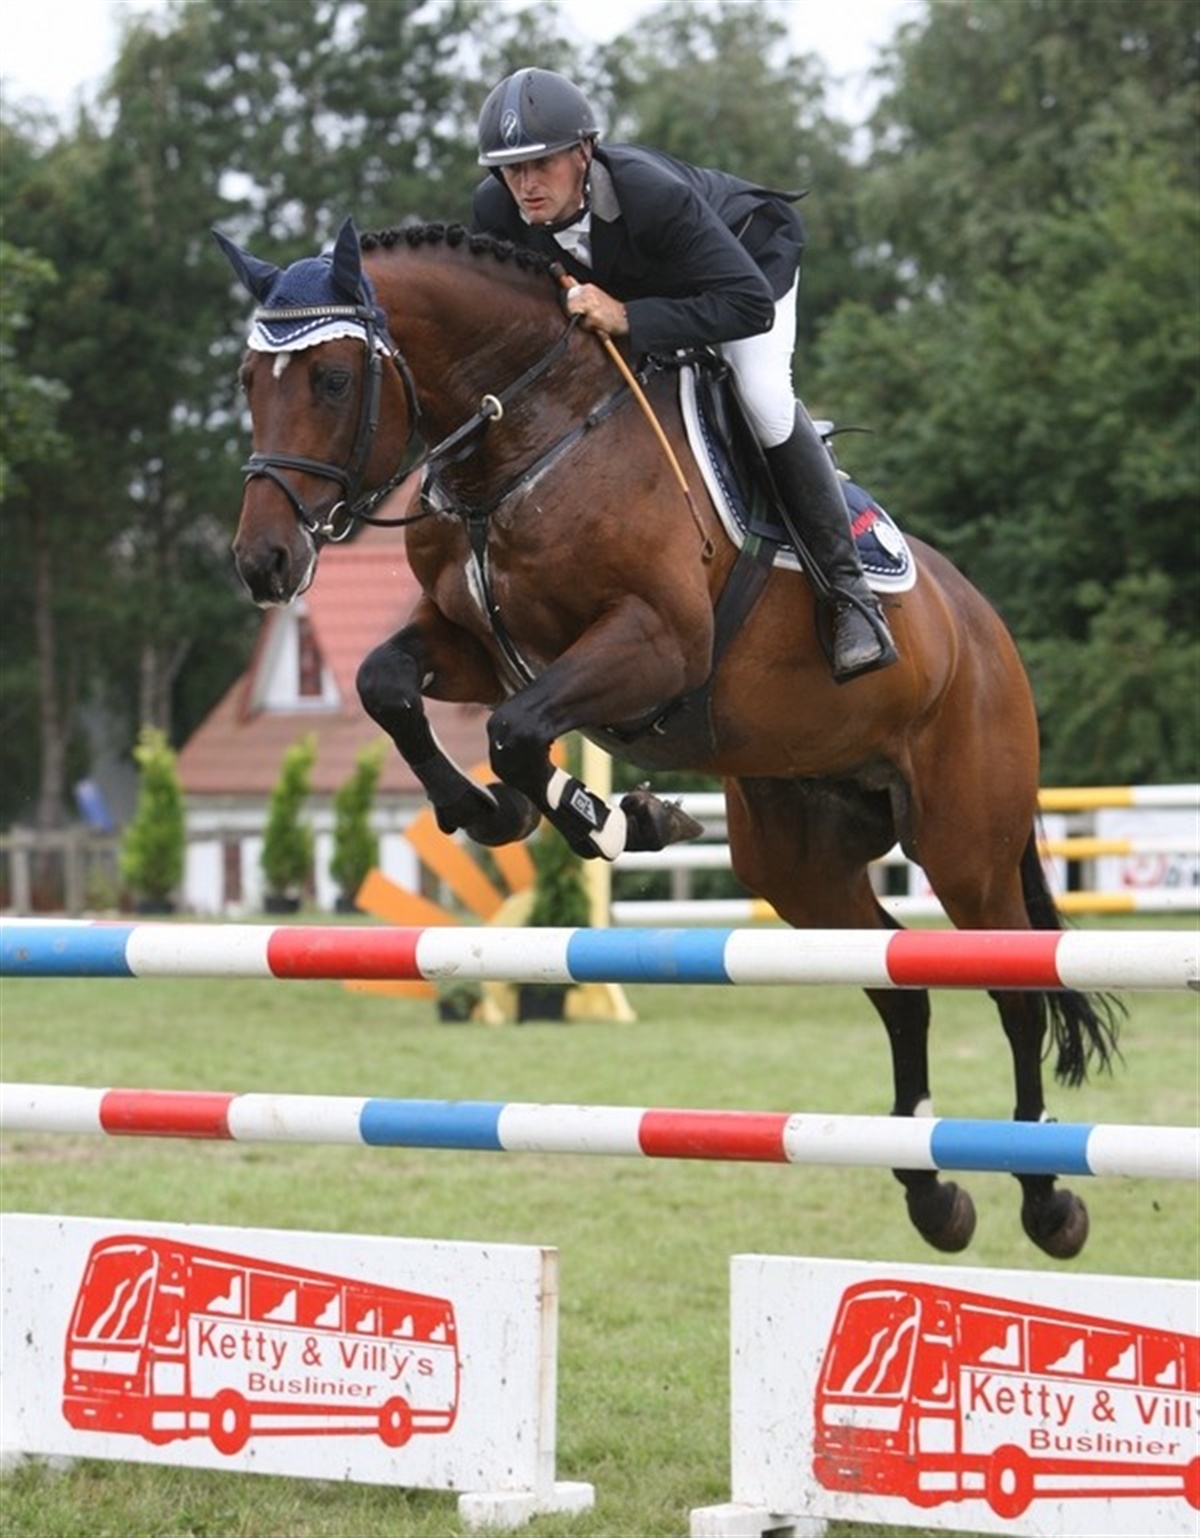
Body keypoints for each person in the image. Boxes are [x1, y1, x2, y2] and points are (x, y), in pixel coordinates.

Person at [471, 67, 897, 683]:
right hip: (656, 289)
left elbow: (747, 304)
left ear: (584, 152)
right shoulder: (496, 212)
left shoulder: (650, 195)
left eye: (543, 164)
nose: (527, 185)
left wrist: (628, 317)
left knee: (761, 397)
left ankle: (851, 599)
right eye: (512, 170)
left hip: (748, 267)